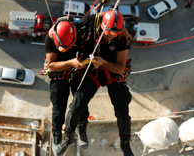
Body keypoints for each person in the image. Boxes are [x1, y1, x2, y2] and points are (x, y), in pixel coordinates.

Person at [45, 15, 132, 155]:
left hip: (109, 69)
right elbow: (51, 65)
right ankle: (66, 136)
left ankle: (125, 142)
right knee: (71, 106)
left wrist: (104, 62)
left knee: (122, 106)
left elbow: (120, 68)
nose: (110, 39)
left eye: (113, 35)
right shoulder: (55, 36)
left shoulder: (119, 37)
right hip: (86, 70)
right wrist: (55, 26)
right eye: (107, 35)